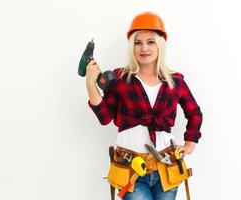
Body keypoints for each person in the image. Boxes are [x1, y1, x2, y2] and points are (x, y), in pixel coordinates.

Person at [85, 11, 203, 200]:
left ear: (160, 45)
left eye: (150, 42)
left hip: (167, 168)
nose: (144, 48)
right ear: (132, 46)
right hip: (131, 169)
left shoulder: (175, 82)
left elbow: (194, 113)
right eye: (138, 42)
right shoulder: (121, 80)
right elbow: (105, 117)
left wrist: (190, 144)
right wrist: (91, 85)